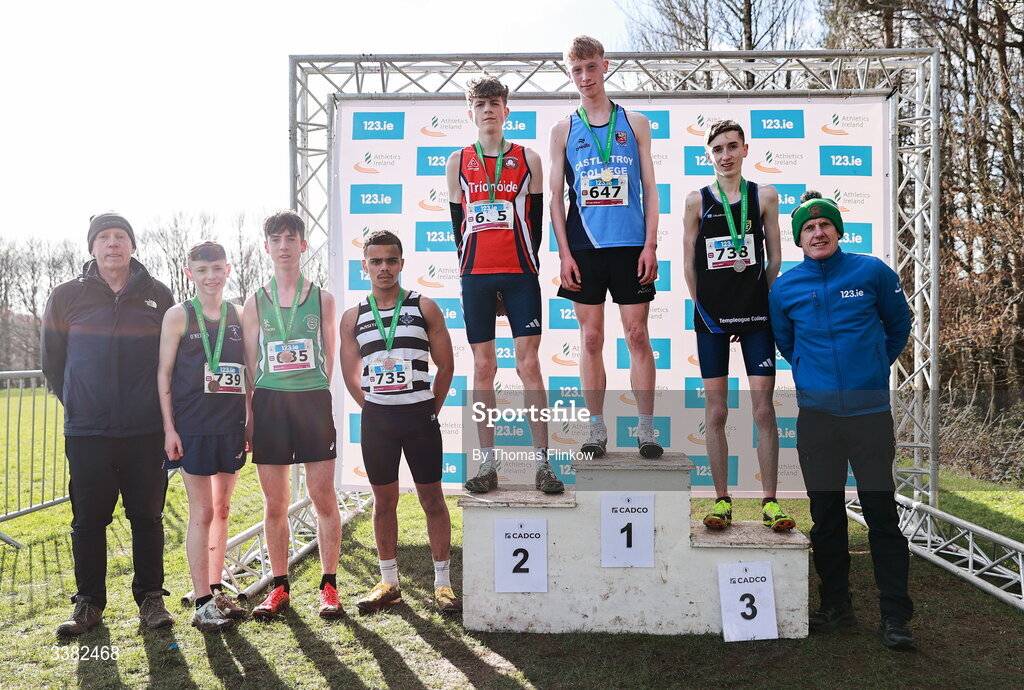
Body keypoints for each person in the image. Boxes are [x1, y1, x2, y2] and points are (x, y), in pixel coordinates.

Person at [769, 191, 916, 650]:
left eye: (825, 225)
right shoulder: (784, 288)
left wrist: (873, 366)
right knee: (826, 518)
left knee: (881, 516)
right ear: (799, 239)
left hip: (869, 415)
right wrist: (812, 376)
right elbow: (786, 343)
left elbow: (899, 324)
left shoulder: (871, 271)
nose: (818, 233)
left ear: (838, 231)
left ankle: (895, 616)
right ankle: (837, 606)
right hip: (818, 419)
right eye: (809, 229)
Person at [42, 212, 175, 635]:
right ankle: (88, 604)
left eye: (120, 236)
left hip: (146, 430)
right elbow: (52, 361)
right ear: (92, 247)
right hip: (87, 432)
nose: (113, 243)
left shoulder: (158, 294)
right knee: (87, 520)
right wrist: (80, 404)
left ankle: (151, 600)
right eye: (104, 237)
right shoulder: (66, 296)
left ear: (133, 245)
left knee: (147, 516)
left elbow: (172, 360)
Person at [445, 74, 563, 494]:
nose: (488, 110)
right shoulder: (458, 161)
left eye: (494, 103)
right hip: (476, 274)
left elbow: (536, 222)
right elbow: (458, 225)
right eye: (480, 104)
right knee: (483, 367)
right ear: (471, 113)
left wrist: (525, 265)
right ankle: (488, 463)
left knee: (528, 365)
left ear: (506, 110)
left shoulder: (528, 157)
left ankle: (543, 464)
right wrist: (473, 268)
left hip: (519, 273)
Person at [549, 35, 662, 459]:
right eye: (577, 70)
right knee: (591, 338)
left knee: (637, 334)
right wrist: (564, 254)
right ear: (569, 74)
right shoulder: (563, 130)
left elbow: (650, 188)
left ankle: (645, 429)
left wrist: (650, 245)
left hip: (631, 245)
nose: (585, 77)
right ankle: (595, 429)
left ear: (605, 66)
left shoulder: (635, 123)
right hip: (584, 247)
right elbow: (556, 198)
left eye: (591, 67)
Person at [339, 230, 462, 614]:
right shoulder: (353, 317)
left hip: (420, 417)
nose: (384, 268)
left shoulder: (424, 307)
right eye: (376, 261)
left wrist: (429, 408)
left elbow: (446, 365)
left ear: (402, 263)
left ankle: (443, 584)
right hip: (378, 422)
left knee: (432, 500)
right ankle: (389, 583)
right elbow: (349, 372)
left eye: (391, 260)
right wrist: (373, 407)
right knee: (383, 502)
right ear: (365, 266)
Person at [682, 119, 794, 532]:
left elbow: (775, 257)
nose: (725, 155)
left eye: (732, 146)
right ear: (708, 156)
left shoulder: (764, 195)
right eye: (718, 149)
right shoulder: (696, 200)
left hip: (756, 316)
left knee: (763, 409)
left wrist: (754, 298)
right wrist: (705, 308)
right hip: (711, 318)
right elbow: (689, 264)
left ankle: (770, 503)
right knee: (716, 411)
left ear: (746, 149)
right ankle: (721, 500)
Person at [241, 210, 342, 619]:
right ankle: (279, 588)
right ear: (267, 247)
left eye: (290, 239)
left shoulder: (323, 299)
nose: (283, 246)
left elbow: (330, 357)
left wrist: (310, 390)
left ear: (303, 245)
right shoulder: (254, 302)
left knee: (323, 496)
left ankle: (329, 586)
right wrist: (253, 414)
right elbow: (250, 366)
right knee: (275, 503)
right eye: (276, 239)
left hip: (312, 401)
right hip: (270, 404)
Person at [157, 241, 249, 631]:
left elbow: (248, 372)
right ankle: (201, 603)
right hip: (193, 427)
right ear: (189, 273)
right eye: (201, 270)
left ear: (228, 270)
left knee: (223, 509)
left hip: (230, 426)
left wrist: (249, 421)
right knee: (203, 511)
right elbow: (163, 373)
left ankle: (214, 588)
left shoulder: (240, 314)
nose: (210, 276)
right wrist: (169, 428)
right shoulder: (179, 315)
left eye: (216, 268)